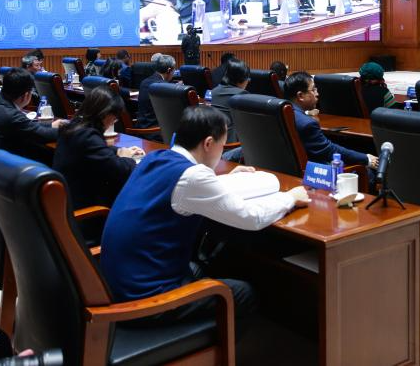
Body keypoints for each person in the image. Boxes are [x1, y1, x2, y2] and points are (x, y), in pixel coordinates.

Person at [99, 106, 309, 335]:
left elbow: (184, 190)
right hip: (144, 300)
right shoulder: (192, 177)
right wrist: (290, 197)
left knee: (204, 266)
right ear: (208, 143)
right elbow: (252, 217)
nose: (222, 152)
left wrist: (219, 180)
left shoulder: (157, 158)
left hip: (121, 282)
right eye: (222, 146)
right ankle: (213, 350)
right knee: (243, 294)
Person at [53, 86, 143, 237]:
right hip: (89, 215)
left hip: (70, 203)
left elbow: (96, 151)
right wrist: (127, 158)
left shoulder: (75, 127)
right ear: (105, 114)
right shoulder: (87, 137)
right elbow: (122, 170)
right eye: (114, 117)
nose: (114, 121)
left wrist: (119, 151)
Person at [285, 72, 378, 172]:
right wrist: (366, 159)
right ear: (300, 96)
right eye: (313, 89)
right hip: (314, 173)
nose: (317, 94)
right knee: (368, 172)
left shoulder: (285, 114)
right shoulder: (307, 124)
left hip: (289, 169)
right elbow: (329, 150)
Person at [0, 68, 64, 165]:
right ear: (26, 95)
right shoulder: (12, 116)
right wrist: (70, 129)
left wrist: (51, 125)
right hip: (10, 166)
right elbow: (44, 135)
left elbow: (28, 126)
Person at [210, 58, 250, 142]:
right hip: (229, 145)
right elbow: (248, 127)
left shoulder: (213, 91)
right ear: (242, 79)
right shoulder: (242, 95)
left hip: (212, 143)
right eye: (248, 79)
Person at [137, 54, 176, 129]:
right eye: (174, 70)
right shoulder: (165, 87)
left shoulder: (144, 82)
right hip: (155, 130)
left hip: (141, 127)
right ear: (169, 70)